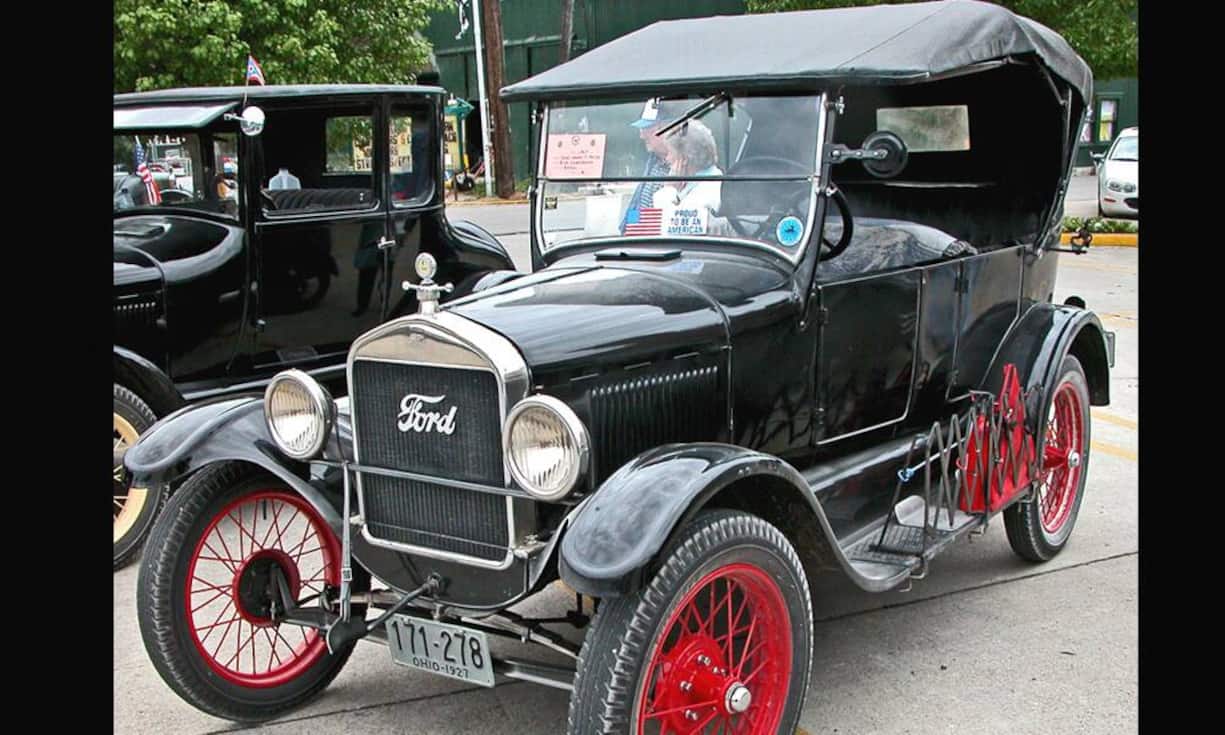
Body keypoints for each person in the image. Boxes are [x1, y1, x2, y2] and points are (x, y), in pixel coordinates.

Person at [620, 98, 683, 234]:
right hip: (639, 241)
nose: (642, 135)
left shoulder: (685, 169)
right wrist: (628, 230)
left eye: (647, 128)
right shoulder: (653, 162)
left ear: (667, 129)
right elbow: (638, 206)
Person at [651, 119, 722, 214]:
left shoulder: (705, 193)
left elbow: (668, 223)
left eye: (670, 152)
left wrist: (668, 189)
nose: (667, 159)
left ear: (683, 159)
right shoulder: (706, 182)